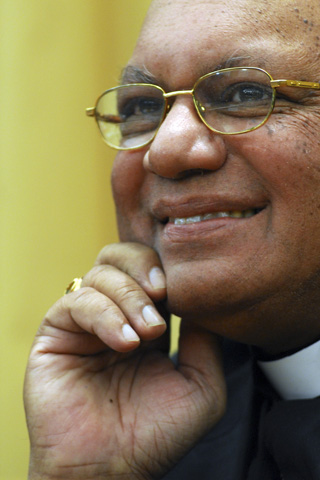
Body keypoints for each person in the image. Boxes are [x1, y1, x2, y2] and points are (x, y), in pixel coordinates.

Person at [24, 0, 320, 478]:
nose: (166, 149)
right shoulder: (154, 437)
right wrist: (82, 472)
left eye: (244, 94)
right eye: (142, 107)